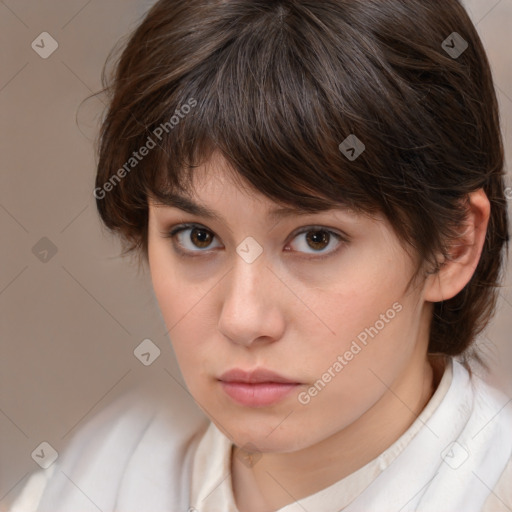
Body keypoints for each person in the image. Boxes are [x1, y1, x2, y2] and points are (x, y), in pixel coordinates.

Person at [10, 0, 512, 510]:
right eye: (197, 237)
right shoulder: (98, 477)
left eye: (317, 238)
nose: (243, 319)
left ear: (454, 246)